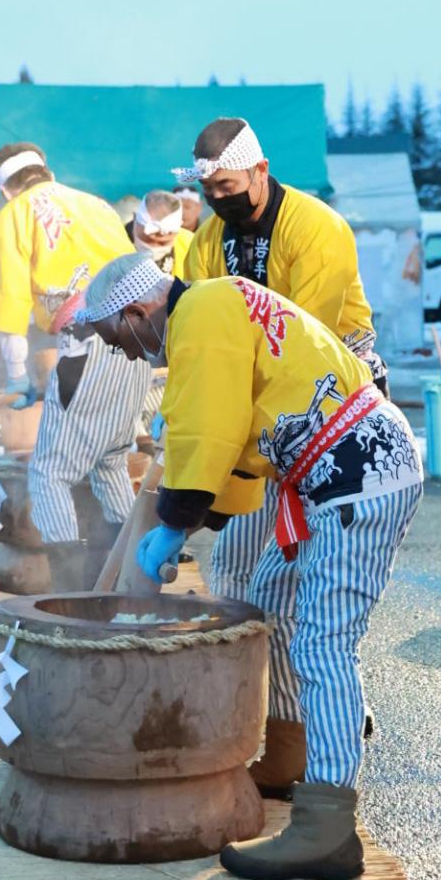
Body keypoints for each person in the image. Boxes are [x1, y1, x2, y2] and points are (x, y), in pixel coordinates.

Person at [70, 255, 423, 880]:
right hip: (336, 471)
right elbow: (231, 435)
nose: (125, 355)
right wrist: (187, 516)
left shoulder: (200, 316)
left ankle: (328, 824)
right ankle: (288, 754)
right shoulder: (212, 305)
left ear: (138, 313)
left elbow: (211, 426)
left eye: (116, 340)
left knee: (324, 643)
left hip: (360, 473)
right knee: (272, 600)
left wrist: (174, 521)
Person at [175, 116, 386, 607]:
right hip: (252, 393)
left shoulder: (317, 228)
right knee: (235, 550)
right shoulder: (207, 240)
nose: (218, 198)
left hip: (333, 396)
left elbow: (308, 338)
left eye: (227, 186)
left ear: (260, 170)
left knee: (311, 554)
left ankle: (297, 639)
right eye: (208, 190)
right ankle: (236, 643)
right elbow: (197, 324)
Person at [0, 140, 147, 542]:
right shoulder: (97, 206)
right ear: (47, 173)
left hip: (84, 342)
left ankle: (67, 572)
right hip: (136, 342)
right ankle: (126, 568)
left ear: (5, 189)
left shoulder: (14, 214)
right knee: (110, 463)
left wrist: (17, 375)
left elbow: (9, 304)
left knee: (49, 473)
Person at [127, 191, 193, 277]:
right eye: (148, 240)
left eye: (162, 243)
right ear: (135, 218)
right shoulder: (115, 242)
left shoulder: (189, 245)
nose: (154, 247)